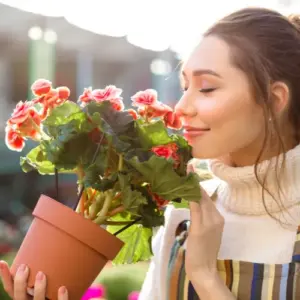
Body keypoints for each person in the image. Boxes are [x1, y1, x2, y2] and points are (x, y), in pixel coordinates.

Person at [1, 6, 300, 300]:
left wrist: (206, 278)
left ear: (274, 100)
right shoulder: (183, 213)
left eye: (207, 88)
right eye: (185, 86)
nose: (181, 107)